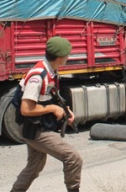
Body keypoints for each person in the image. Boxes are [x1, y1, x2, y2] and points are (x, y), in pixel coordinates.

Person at [11, 37, 82, 192]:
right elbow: (26, 109)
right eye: (67, 55)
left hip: (36, 125)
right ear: (61, 57)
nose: (68, 58)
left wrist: (64, 110)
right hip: (34, 128)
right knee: (73, 158)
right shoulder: (39, 76)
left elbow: (48, 96)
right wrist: (52, 109)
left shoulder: (50, 69)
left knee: (34, 167)